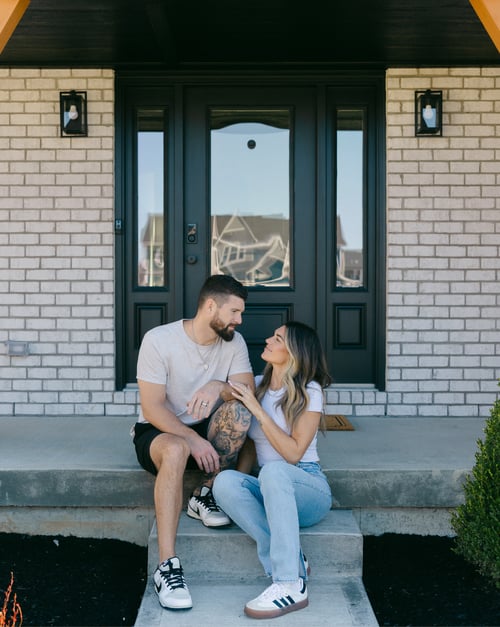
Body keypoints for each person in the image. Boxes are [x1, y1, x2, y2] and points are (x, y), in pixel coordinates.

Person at [132, 275, 254, 611]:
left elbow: (247, 391)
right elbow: (152, 407)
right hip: (159, 431)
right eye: (234, 312)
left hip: (207, 430)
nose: (239, 321)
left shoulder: (234, 342)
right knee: (175, 448)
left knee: (240, 414)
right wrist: (189, 439)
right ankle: (167, 566)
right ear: (211, 306)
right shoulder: (159, 340)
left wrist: (217, 385)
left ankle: (205, 494)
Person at [213, 321, 333, 620]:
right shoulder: (259, 385)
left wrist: (257, 409)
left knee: (275, 471)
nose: (268, 339)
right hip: (271, 486)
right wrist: (220, 389)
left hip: (307, 487)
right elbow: (229, 398)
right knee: (226, 482)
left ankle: (290, 583)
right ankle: (292, 560)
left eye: (277, 338)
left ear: (293, 353)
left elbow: (293, 454)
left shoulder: (309, 391)